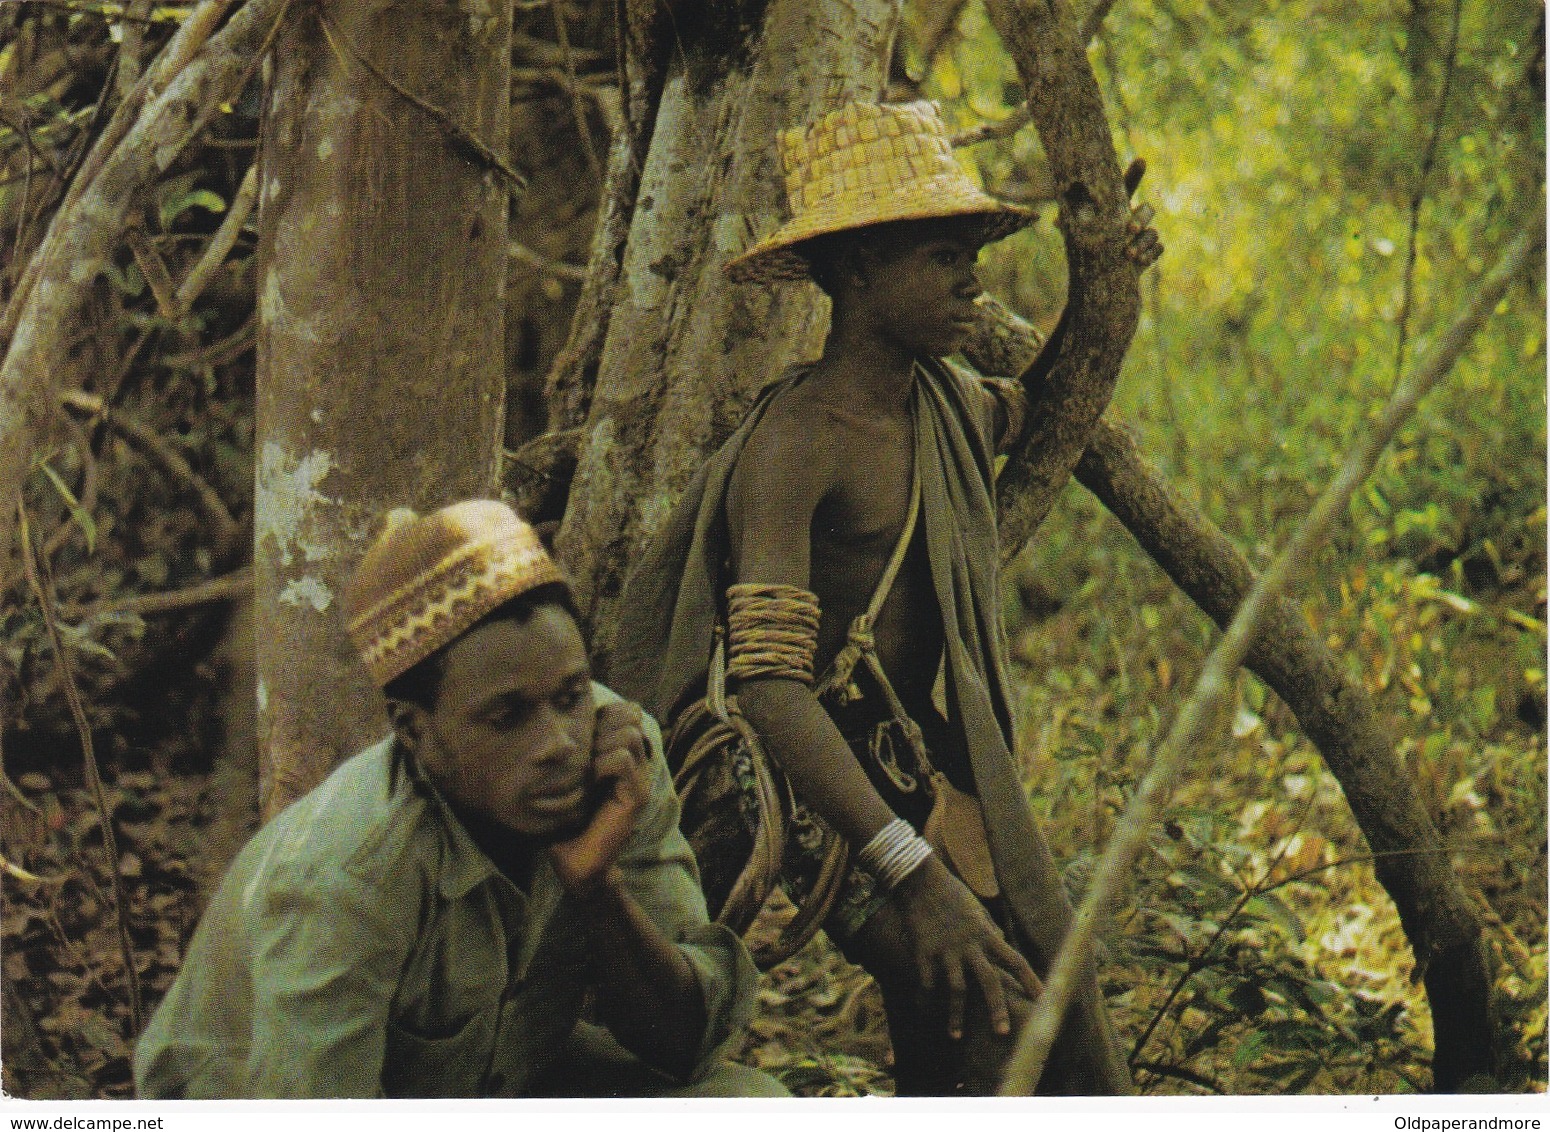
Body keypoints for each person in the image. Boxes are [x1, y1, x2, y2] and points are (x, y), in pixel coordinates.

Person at [613, 100, 1160, 1095]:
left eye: (969, 253)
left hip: (915, 761)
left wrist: (1104, 284)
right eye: (940, 254)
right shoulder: (798, 441)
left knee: (1011, 989)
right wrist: (908, 873)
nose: (971, 277)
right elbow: (772, 691)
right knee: (994, 1013)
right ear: (857, 270)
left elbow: (1046, 401)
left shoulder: (946, 402)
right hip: (800, 776)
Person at [135, 500, 786, 1099]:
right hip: (258, 1094)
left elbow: (688, 1047)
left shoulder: (617, 756)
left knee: (749, 1104)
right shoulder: (346, 872)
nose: (559, 743)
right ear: (416, 731)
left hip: (491, 1076)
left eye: (571, 695)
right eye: (508, 717)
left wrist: (597, 885)